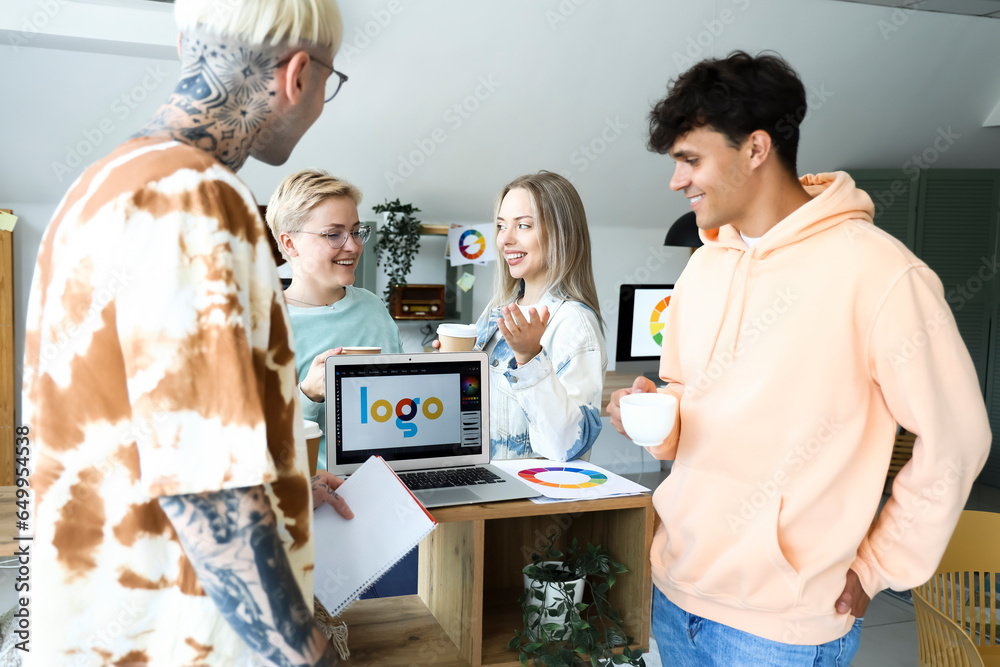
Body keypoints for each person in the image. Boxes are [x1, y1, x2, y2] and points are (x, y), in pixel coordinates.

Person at [608, 51, 991, 666]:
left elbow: (959, 438)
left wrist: (878, 567)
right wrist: (653, 413)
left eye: (691, 159)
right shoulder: (703, 267)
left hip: (778, 627)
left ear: (755, 148)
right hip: (676, 594)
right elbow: (688, 413)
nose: (676, 181)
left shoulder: (880, 273)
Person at [22, 1, 354, 665]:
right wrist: (308, 651)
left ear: (184, 46)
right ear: (295, 76)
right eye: (328, 81)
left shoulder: (95, 186)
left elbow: (140, 430)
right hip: (185, 636)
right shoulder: (201, 197)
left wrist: (288, 480)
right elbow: (211, 490)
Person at [441, 171, 607, 461]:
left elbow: (566, 445)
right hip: (484, 486)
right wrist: (450, 368)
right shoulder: (496, 315)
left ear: (562, 235)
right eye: (501, 226)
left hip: (534, 499)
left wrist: (530, 359)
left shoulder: (574, 324)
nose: (505, 239)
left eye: (523, 225)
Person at [266, 169, 403, 471]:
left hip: (391, 484)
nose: (353, 246)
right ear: (290, 244)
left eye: (356, 231)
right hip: (313, 500)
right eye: (334, 234)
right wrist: (308, 394)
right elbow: (254, 445)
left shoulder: (372, 308)